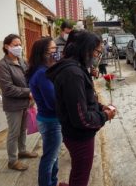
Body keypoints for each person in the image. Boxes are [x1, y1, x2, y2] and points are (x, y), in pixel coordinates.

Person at [46, 31, 116, 186]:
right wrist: (105, 115)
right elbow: (81, 118)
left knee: (78, 171)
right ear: (86, 49)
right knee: (81, 176)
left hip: (75, 133)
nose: (98, 55)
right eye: (97, 51)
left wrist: (100, 106)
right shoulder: (73, 73)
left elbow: (84, 99)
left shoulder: (77, 67)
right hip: (79, 136)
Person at [0, 34, 38, 171]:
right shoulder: (1, 66)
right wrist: (28, 92)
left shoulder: (22, 61)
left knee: (22, 130)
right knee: (14, 132)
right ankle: (12, 160)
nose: (19, 47)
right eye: (15, 45)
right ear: (7, 47)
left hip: (26, 102)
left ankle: (22, 150)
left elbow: (29, 77)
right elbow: (7, 89)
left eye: (20, 44)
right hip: (13, 105)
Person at [26, 37, 65, 186]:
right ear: (44, 53)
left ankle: (53, 182)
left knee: (53, 156)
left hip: (49, 120)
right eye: (53, 50)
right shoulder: (42, 73)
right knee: (49, 158)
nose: (57, 52)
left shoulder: (44, 70)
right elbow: (52, 102)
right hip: (51, 122)